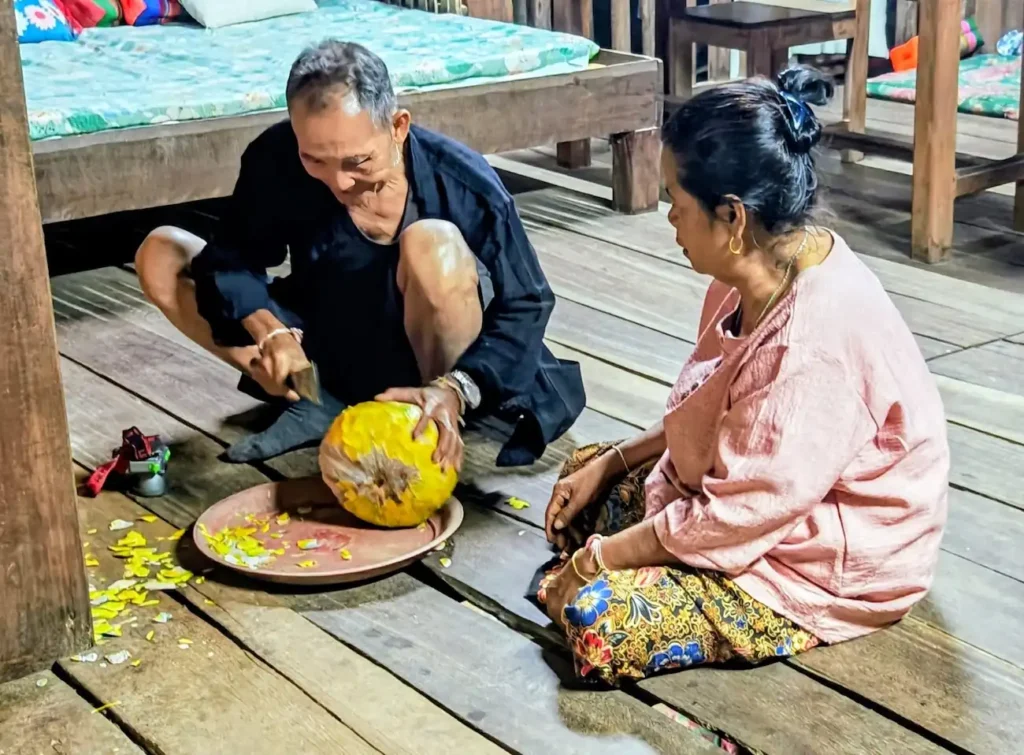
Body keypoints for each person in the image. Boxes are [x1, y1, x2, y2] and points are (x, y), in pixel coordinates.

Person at [538, 67, 949, 685]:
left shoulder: (813, 346)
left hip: (829, 554)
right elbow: (718, 409)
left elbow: (738, 514)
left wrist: (597, 562)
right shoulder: (758, 270)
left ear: (731, 218)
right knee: (584, 475)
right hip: (763, 497)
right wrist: (616, 460)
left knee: (596, 618)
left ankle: (639, 577)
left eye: (676, 203)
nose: (668, 218)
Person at [135, 40, 584, 469]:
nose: (339, 183)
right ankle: (313, 402)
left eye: (357, 162)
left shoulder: (463, 181)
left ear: (397, 127)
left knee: (432, 243)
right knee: (161, 253)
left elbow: (528, 302)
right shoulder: (277, 158)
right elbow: (231, 258)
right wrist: (270, 332)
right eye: (315, 160)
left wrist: (459, 387)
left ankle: (426, 420)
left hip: (438, 358)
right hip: (332, 342)